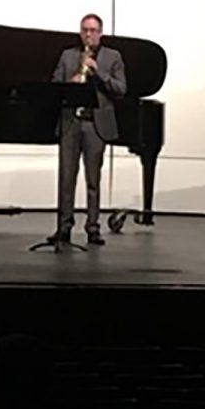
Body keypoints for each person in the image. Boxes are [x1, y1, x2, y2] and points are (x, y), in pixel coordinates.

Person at [50, 14, 126, 246]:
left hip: (95, 124)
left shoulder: (113, 57)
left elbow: (121, 88)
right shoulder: (68, 55)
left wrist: (98, 72)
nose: (88, 34)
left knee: (93, 180)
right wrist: (69, 83)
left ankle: (93, 227)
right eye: (85, 30)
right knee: (66, 179)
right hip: (71, 123)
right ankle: (64, 227)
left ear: (100, 33)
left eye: (93, 30)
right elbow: (54, 84)